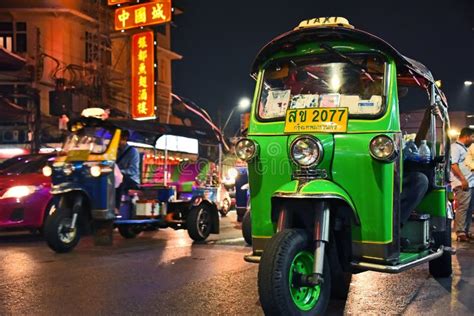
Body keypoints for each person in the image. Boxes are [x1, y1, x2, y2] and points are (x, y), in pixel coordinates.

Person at [451, 127, 474, 241]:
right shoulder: (455, 147)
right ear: (466, 136)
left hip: (470, 183)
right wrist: (463, 180)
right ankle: (460, 232)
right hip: (462, 183)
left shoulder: (465, 148)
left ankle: (466, 230)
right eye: (472, 137)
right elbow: (453, 165)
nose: (473, 139)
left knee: (470, 208)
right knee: (463, 207)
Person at [115, 130, 140, 209]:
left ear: (125, 138)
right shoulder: (116, 151)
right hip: (118, 176)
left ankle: (116, 207)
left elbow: (133, 171)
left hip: (132, 180)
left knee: (121, 181)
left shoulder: (133, 152)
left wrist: (118, 172)